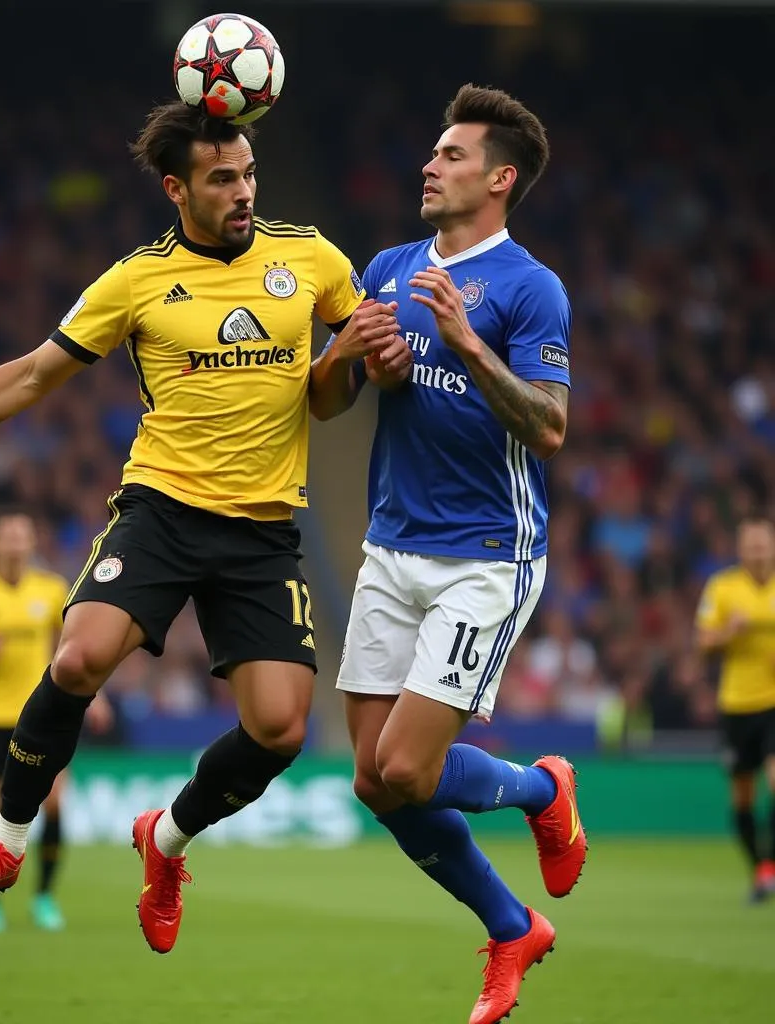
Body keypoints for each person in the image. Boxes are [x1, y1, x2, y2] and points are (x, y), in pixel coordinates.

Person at [0, 101, 412, 953]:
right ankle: (1, 848)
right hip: (162, 510)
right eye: (224, 179)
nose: (244, 192)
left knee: (280, 730)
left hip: (262, 529)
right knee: (77, 655)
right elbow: (35, 376)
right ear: (176, 188)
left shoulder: (312, 260)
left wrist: (350, 357)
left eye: (250, 174)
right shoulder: (137, 280)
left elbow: (331, 401)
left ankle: (168, 839)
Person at [310, 84, 585, 1024]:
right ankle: (513, 927)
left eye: (453, 155)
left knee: (412, 773)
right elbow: (325, 404)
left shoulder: (529, 288)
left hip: (484, 555)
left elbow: (548, 428)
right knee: (370, 784)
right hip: (391, 547)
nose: (430, 165)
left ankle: (541, 786)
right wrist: (349, 356)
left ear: (499, 178)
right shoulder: (388, 266)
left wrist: (466, 343)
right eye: (432, 152)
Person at [0, 510, 113, 933]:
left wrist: (98, 694)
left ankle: (45, 898)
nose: (15, 544)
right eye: (7, 536)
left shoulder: (52, 590)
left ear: (32, 544)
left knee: (53, 804)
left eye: (22, 536)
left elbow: (72, 647)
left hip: (43, 713)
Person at [696, 515, 775, 904]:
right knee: (742, 799)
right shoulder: (724, 587)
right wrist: (731, 631)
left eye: (763, 544)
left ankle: (769, 866)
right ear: (741, 549)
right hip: (737, 705)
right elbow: (704, 641)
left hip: (773, 703)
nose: (757, 551)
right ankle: (761, 868)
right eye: (751, 545)